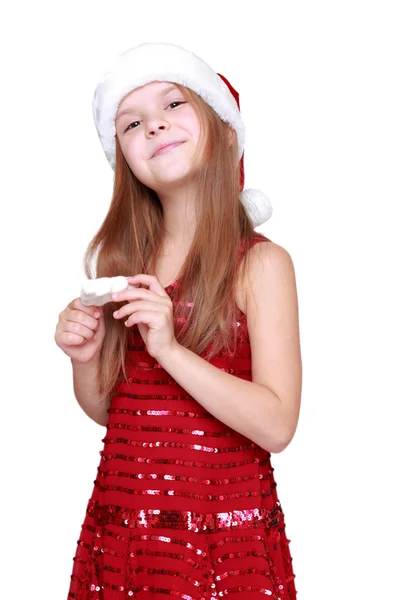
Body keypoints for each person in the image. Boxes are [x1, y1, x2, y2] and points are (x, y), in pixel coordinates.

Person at [55, 42, 302, 599]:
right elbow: (112, 413)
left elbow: (278, 424)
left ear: (224, 128)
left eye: (173, 105)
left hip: (220, 543)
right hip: (124, 539)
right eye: (132, 123)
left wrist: (170, 349)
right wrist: (86, 359)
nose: (154, 126)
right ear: (123, 160)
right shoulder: (121, 268)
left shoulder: (259, 264)